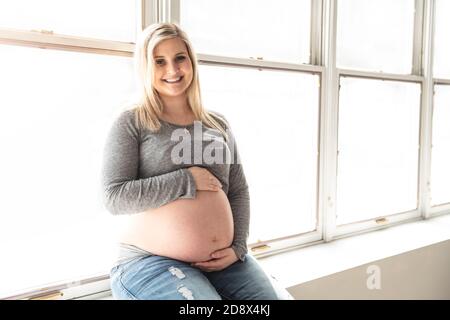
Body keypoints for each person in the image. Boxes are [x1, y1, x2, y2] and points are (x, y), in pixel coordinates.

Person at [102, 22, 291, 300]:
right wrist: (186, 180)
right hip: (150, 261)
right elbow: (114, 196)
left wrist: (237, 247)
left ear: (191, 60)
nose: (172, 70)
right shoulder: (133, 121)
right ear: (145, 68)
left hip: (223, 262)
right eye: (159, 61)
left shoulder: (217, 124)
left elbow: (238, 191)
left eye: (180, 58)